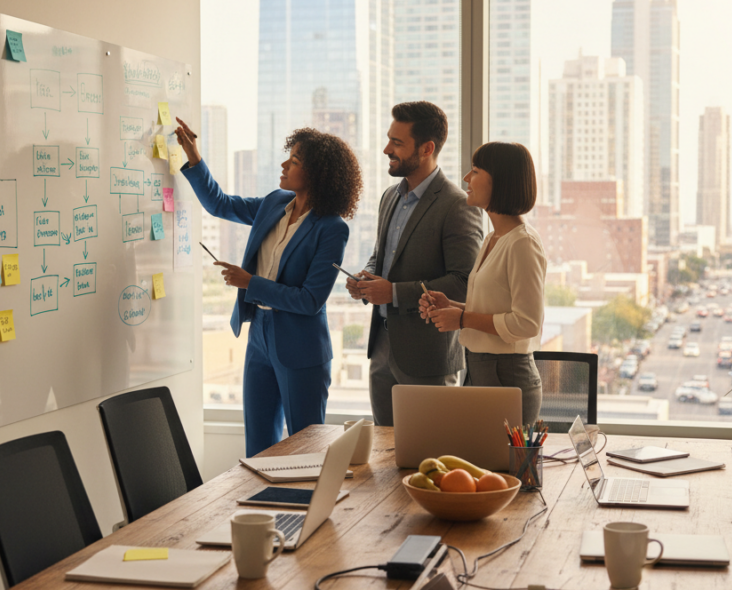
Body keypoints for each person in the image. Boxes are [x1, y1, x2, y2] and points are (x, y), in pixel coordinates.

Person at [175, 117, 363, 456]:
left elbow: (309, 300)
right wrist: (194, 157)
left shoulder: (332, 229)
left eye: (294, 161)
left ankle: (307, 510)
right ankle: (265, 509)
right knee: (259, 447)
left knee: (305, 449)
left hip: (300, 344)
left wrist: (251, 283)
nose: (283, 165)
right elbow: (220, 204)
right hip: (259, 334)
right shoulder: (275, 203)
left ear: (317, 174)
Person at [346, 101, 482, 426]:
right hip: (382, 350)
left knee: (432, 457)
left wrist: (392, 292)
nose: (386, 149)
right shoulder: (389, 197)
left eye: (397, 142)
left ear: (427, 149)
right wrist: (366, 278)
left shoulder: (457, 205)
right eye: (388, 139)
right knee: (384, 456)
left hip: (428, 358)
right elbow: (383, 256)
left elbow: (464, 282)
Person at [419, 142, 546, 425]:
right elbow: (495, 307)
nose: (466, 178)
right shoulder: (493, 238)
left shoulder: (523, 243)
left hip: (507, 375)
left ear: (500, 181)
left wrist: (462, 318)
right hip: (479, 369)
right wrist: (450, 305)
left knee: (500, 468)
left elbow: (526, 323)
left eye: (475, 171)